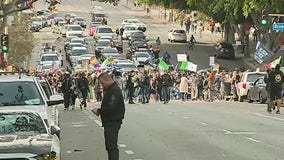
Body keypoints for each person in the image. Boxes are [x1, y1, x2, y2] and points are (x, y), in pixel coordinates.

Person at [92, 72, 125, 160]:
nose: (102, 86)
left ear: (107, 80)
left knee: (111, 146)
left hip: (113, 121)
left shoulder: (114, 90)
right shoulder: (111, 90)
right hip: (110, 121)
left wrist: (99, 111)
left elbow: (111, 107)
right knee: (110, 146)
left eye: (102, 83)